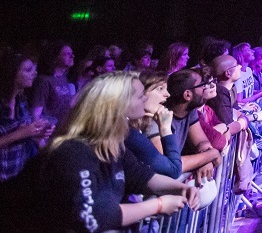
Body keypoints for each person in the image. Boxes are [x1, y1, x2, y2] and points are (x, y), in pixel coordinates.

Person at [1, 72, 200, 231]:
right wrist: (158, 205)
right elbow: (93, 216)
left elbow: (143, 176)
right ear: (117, 105)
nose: (145, 98)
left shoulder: (113, 145)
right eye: (140, 95)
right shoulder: (73, 152)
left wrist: (181, 188)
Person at [1, 54, 52, 182]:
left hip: (17, 173)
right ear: (12, 73)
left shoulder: (21, 100)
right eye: (28, 70)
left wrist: (37, 134)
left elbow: (23, 135)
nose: (34, 73)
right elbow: (18, 134)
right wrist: (22, 133)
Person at [126, 70, 181, 178]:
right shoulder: (129, 134)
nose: (168, 94)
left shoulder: (136, 126)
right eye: (160, 88)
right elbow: (174, 170)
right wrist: (165, 129)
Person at [30, 42, 76, 125]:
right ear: (55, 57)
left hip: (62, 129)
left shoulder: (63, 78)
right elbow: (36, 113)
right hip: (50, 131)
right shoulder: (44, 81)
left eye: (72, 53)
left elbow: (66, 105)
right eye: (67, 54)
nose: (72, 56)